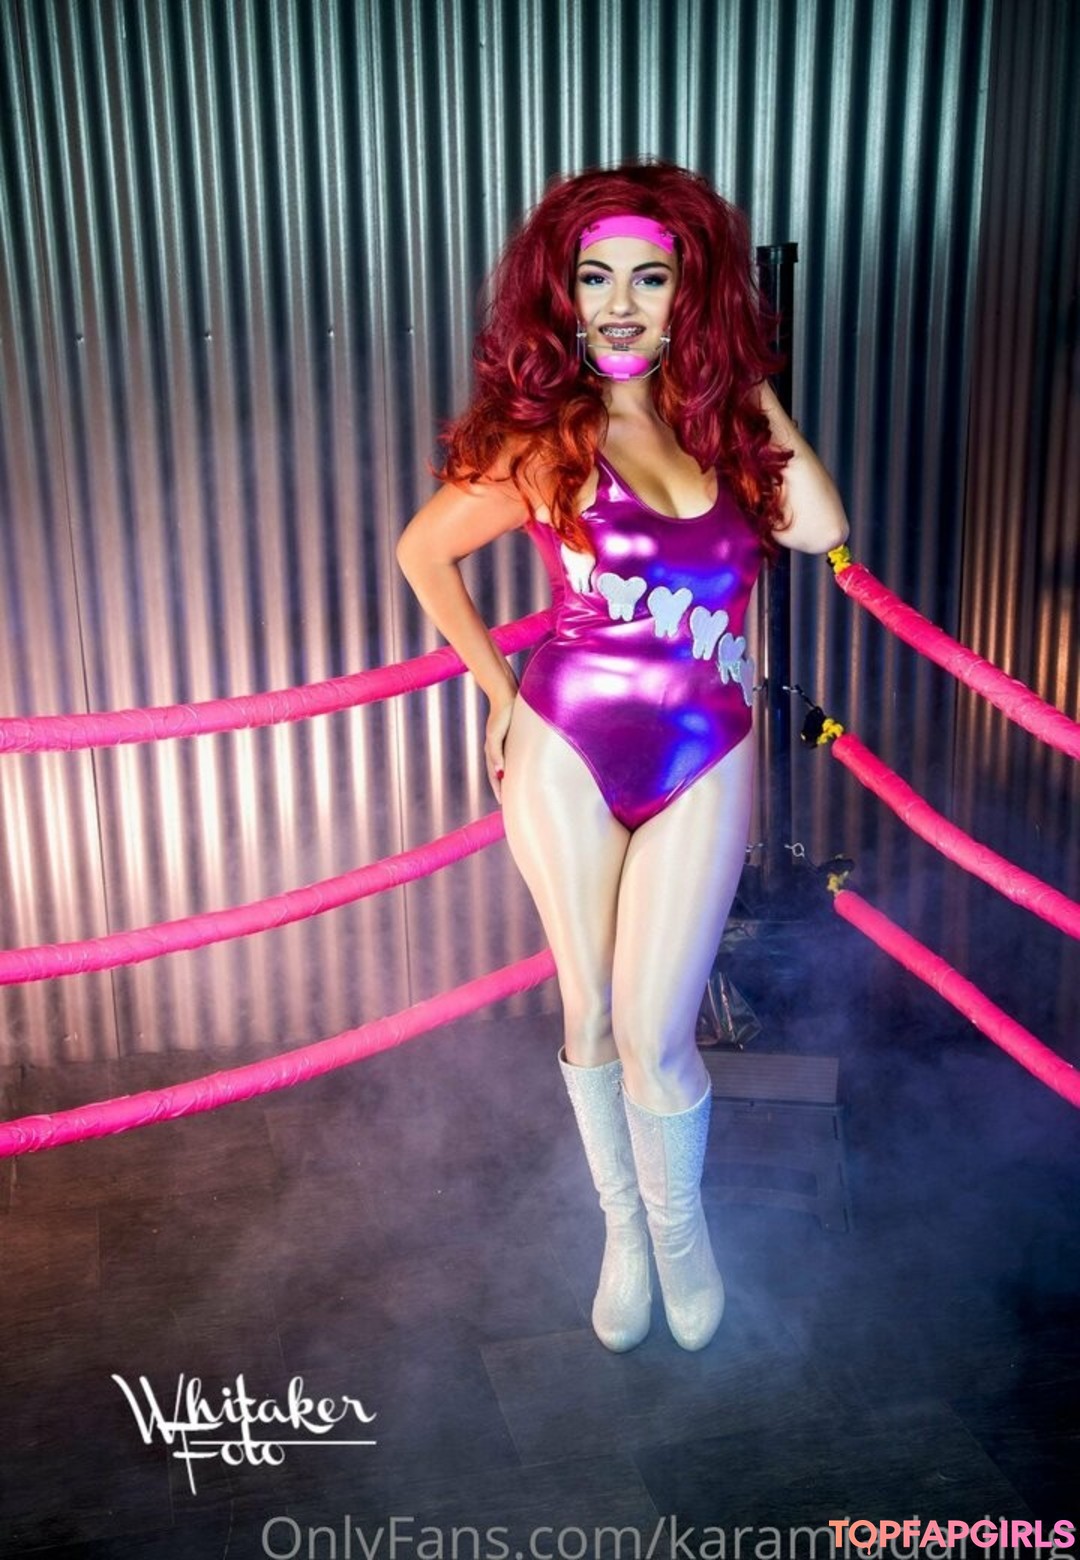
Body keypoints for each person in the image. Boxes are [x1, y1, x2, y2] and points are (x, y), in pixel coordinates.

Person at [396, 160, 848, 1353]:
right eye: (596, 277)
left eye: (651, 279)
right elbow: (423, 552)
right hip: (566, 746)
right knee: (591, 1009)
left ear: (692, 294)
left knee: (656, 1032)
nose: (620, 304)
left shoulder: (726, 428)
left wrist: (745, 373)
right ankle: (623, 1231)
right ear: (564, 292)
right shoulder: (546, 437)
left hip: (706, 748)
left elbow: (821, 526)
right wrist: (498, 694)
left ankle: (683, 1234)